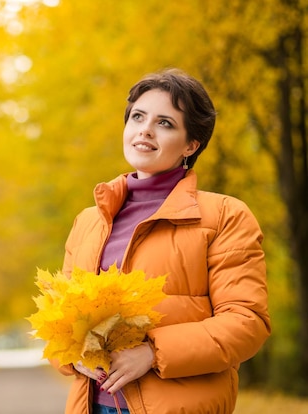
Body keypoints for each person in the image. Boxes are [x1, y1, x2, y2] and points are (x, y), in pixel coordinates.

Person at [50, 69, 271, 414]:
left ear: (191, 144)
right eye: (138, 117)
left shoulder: (226, 215)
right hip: (92, 405)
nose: (145, 130)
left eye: (165, 123)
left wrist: (153, 353)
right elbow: (60, 320)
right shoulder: (88, 221)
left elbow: (247, 322)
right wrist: (72, 355)